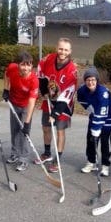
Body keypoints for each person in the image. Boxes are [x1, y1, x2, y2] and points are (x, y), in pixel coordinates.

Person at [35, 37, 78, 173]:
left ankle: (57, 159)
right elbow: (41, 74)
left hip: (63, 105)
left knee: (60, 131)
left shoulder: (72, 70)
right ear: (56, 48)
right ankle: (47, 154)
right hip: (49, 99)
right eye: (60, 49)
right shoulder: (48, 59)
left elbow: (67, 94)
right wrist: (43, 91)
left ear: (70, 51)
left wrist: (55, 113)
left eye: (66, 50)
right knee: (46, 127)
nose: (62, 52)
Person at [77, 67, 111, 177]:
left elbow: (102, 113)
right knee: (91, 140)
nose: (90, 82)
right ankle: (91, 162)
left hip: (109, 117)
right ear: (85, 81)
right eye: (88, 80)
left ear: (96, 80)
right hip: (95, 115)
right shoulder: (82, 90)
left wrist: (96, 129)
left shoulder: (103, 93)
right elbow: (81, 100)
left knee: (105, 141)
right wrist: (91, 110)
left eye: (93, 80)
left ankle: (105, 165)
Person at [2, 52, 39, 171]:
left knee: (24, 133)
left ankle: (24, 159)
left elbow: (32, 102)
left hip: (25, 106)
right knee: (14, 130)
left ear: (32, 66)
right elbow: (6, 75)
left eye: (29, 65)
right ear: (18, 65)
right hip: (14, 103)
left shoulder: (34, 80)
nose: (26, 68)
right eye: (23, 65)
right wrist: (6, 89)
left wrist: (27, 123)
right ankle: (15, 153)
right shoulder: (12, 68)